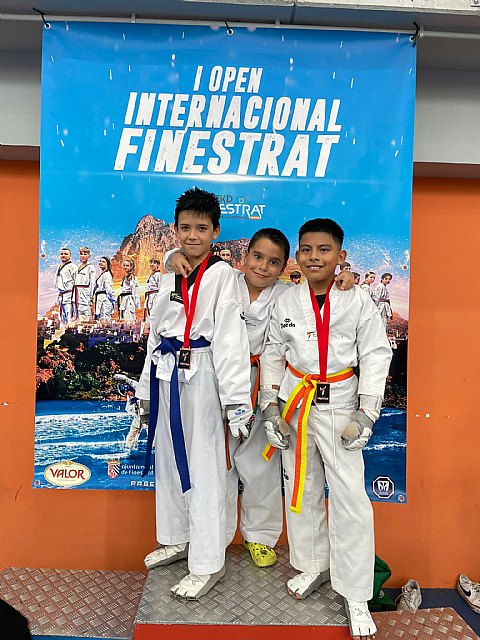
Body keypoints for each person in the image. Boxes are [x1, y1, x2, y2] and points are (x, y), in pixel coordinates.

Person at [166, 231, 355, 569]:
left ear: (285, 267)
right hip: (218, 378)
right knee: (217, 461)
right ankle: (216, 536)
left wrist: (347, 275)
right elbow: (185, 267)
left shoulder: (287, 295)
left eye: (274, 262)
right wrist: (170, 256)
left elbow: (324, 291)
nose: (263, 267)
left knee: (260, 462)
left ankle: (260, 535)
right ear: (245, 256)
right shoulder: (224, 280)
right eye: (257, 257)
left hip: (265, 381)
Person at [260, 218, 392, 640]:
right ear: (297, 255)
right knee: (301, 487)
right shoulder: (286, 299)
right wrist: (270, 407)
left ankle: (356, 592)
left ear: (340, 256)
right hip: (296, 403)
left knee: (351, 499)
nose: (314, 257)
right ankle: (313, 565)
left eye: (324, 250)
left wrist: (367, 413)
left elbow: (376, 352)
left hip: (341, 406)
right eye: (306, 249)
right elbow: (273, 352)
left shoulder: (357, 298)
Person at [136, 187, 252, 600]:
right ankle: (177, 537)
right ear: (175, 229)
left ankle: (207, 562)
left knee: (203, 468)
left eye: (202, 228)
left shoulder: (223, 277)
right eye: (185, 227)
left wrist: (236, 402)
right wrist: (145, 390)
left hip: (203, 374)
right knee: (169, 461)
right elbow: (155, 335)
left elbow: (232, 341)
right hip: (166, 372)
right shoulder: (169, 274)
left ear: (215, 231)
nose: (193, 235)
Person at [113, 373, 149, 452]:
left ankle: (154, 446)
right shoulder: (130, 396)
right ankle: (129, 447)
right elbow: (128, 408)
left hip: (147, 413)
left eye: (127, 392)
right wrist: (134, 408)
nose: (128, 394)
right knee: (133, 431)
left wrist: (125, 379)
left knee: (150, 430)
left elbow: (132, 383)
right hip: (138, 415)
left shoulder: (139, 388)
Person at [55, 247, 77, 326]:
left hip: (69, 295)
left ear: (70, 256)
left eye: (66, 254)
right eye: (61, 254)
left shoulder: (73, 267)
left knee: (69, 317)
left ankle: (70, 332)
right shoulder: (59, 266)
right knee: (62, 317)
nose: (63, 255)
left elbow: (76, 282)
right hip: (61, 295)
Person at [73, 246, 96, 321]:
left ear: (89, 256)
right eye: (81, 254)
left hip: (85, 291)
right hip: (76, 291)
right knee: (77, 310)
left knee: (85, 310)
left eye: (85, 254)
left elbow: (93, 282)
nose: (83, 256)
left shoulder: (90, 267)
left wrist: (91, 295)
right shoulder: (77, 267)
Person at [117, 258, 140, 323]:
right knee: (124, 317)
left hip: (129, 300)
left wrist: (136, 303)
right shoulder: (124, 277)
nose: (125, 267)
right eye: (124, 265)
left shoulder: (132, 277)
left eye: (127, 265)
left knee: (129, 317)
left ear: (131, 267)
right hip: (124, 299)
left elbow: (135, 291)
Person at [94, 257, 115, 322]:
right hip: (100, 298)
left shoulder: (107, 275)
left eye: (103, 262)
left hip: (105, 299)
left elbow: (109, 289)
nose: (101, 263)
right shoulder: (102, 274)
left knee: (105, 317)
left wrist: (113, 300)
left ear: (107, 264)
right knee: (101, 317)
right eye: (100, 261)